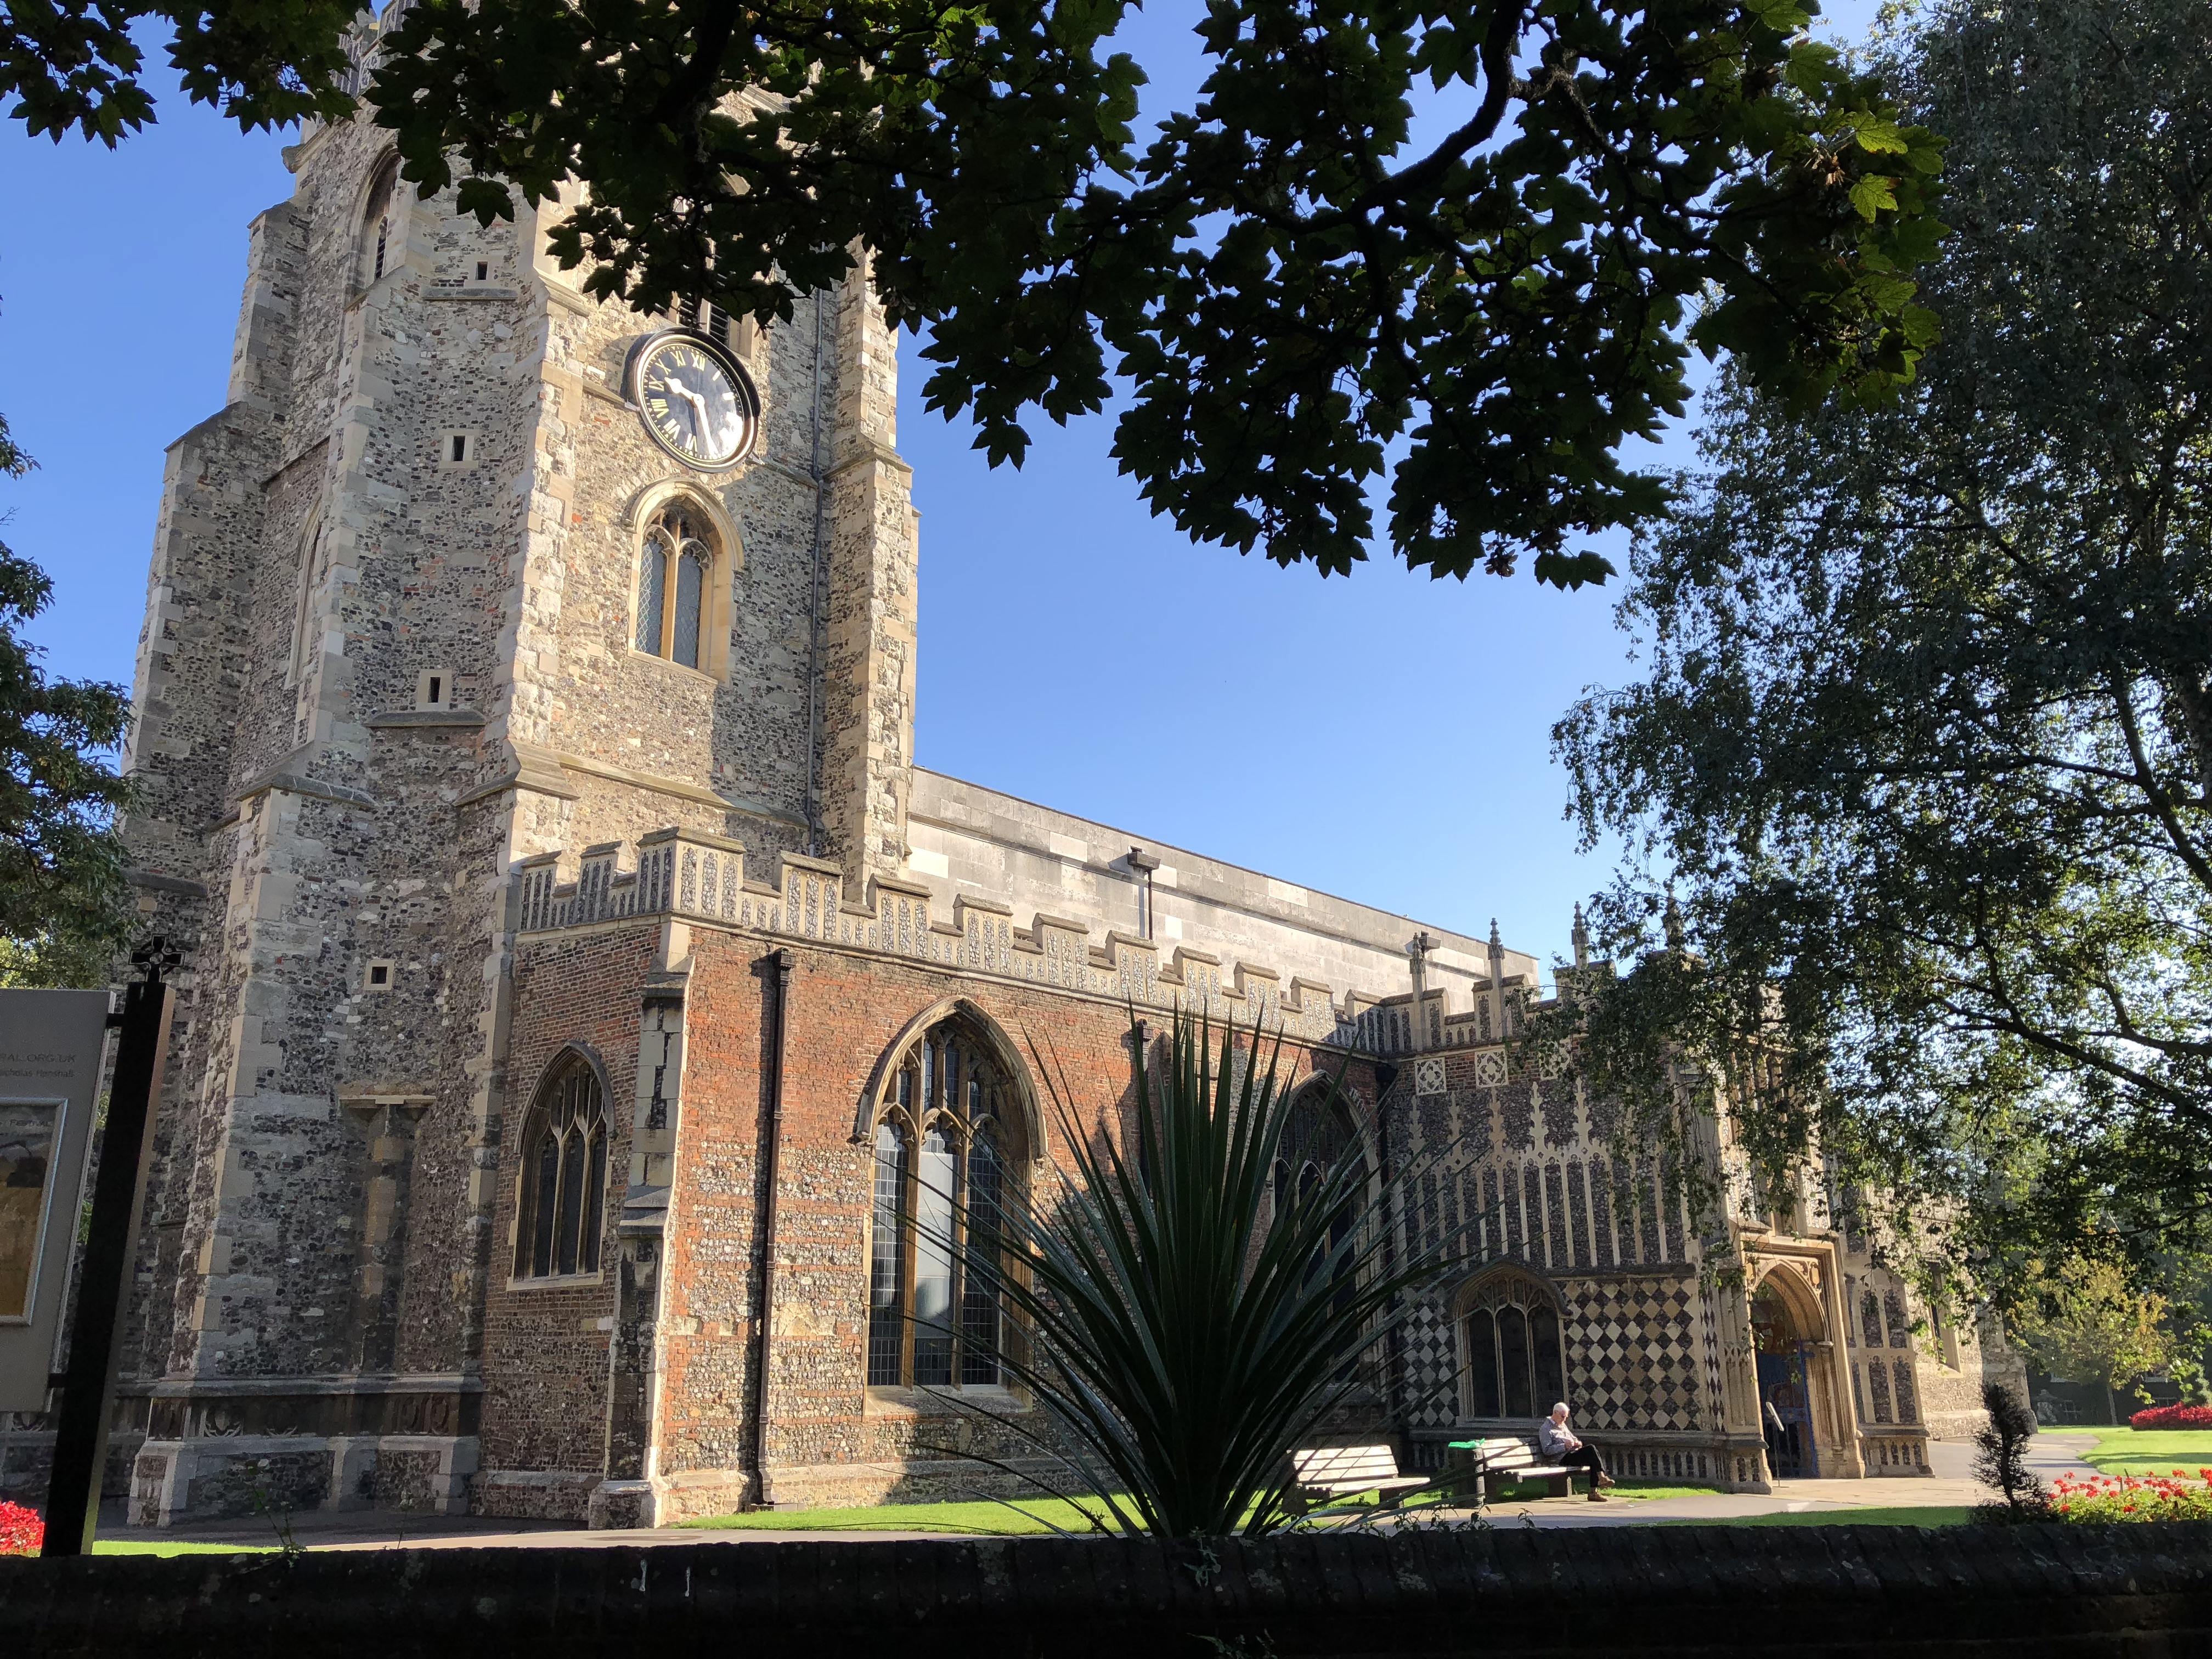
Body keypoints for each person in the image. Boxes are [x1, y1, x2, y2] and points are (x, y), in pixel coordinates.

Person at [1538, 1402, 1616, 1502]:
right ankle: (1600, 1480)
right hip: (1561, 1459)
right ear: (1555, 1413)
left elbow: (1573, 1438)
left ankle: (1594, 1491)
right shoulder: (1546, 1429)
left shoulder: (1563, 1426)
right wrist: (1564, 1446)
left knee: (1592, 1457)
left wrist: (1577, 1443)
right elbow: (1547, 1450)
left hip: (1572, 1454)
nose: (1564, 1419)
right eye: (1563, 1416)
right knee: (1591, 1449)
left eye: (1566, 1417)